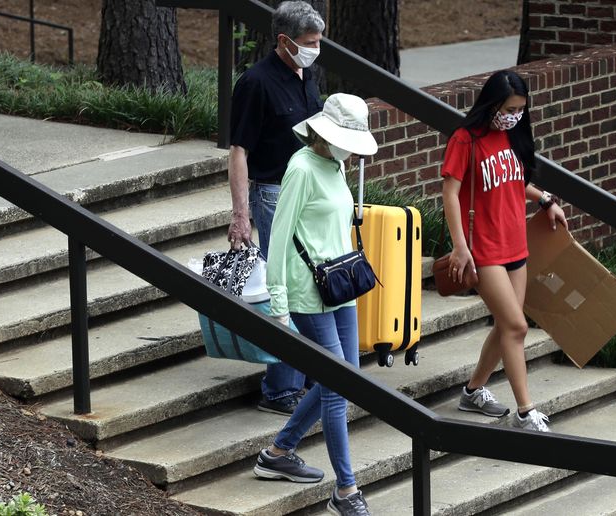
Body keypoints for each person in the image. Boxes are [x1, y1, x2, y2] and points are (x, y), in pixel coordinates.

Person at [253, 93, 376, 516]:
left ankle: (278, 451)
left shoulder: (336, 165)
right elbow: (279, 237)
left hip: (340, 284)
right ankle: (346, 489)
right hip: (309, 292)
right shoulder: (301, 168)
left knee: (346, 377)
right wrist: (280, 305)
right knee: (338, 387)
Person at [441, 70, 568, 433]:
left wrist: (545, 200)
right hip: (484, 248)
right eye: (509, 108)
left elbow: (516, 178)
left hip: (516, 244)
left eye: (520, 110)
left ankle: (472, 391)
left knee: (505, 325)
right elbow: (450, 193)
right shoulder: (466, 140)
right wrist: (460, 247)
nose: (514, 115)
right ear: (492, 103)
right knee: (516, 325)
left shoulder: (512, 135)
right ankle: (526, 411)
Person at [227, 1, 325, 416]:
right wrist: (240, 215)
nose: (315, 49)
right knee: (280, 286)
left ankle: (301, 375)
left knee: (306, 286)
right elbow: (238, 151)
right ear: (284, 41)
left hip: (308, 193)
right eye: (309, 43)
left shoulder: (308, 74)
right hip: (272, 194)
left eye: (318, 41)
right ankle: (280, 387)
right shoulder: (256, 83)